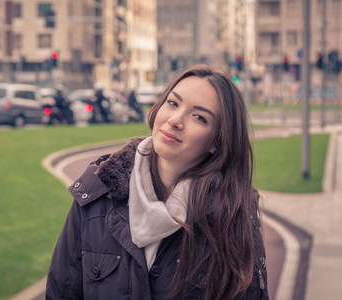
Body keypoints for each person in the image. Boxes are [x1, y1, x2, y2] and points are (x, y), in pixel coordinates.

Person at [46, 65, 269, 300]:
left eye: (199, 117)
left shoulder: (234, 212)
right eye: (173, 103)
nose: (175, 120)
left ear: (217, 141)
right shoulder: (97, 192)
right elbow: (62, 292)